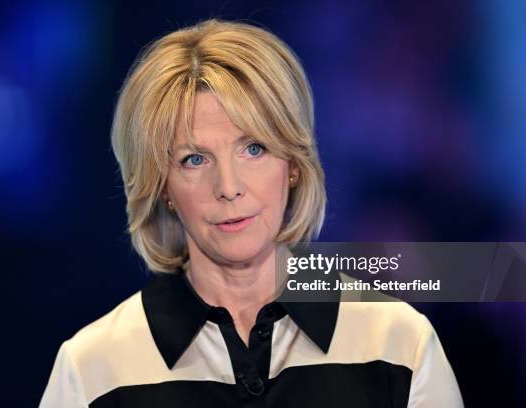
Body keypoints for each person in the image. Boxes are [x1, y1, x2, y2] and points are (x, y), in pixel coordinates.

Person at [40, 18, 463, 407]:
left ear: (294, 165)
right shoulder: (92, 368)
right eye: (194, 159)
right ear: (161, 188)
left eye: (254, 149)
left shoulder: (400, 344)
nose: (228, 187)